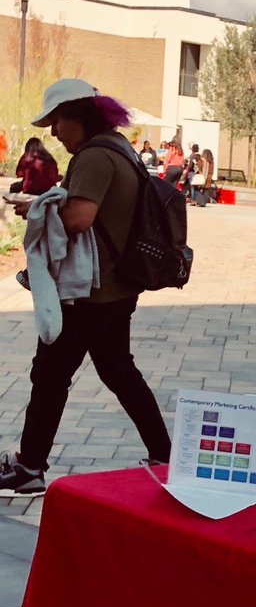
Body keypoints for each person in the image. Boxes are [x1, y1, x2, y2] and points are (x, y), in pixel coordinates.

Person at [0, 78, 172, 497]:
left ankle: (30, 467)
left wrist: (34, 208)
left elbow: (79, 219)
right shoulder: (118, 146)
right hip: (116, 288)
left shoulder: (94, 155)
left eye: (57, 121)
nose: (54, 132)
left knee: (50, 374)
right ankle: (165, 454)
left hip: (87, 294)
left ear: (77, 114)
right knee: (118, 370)